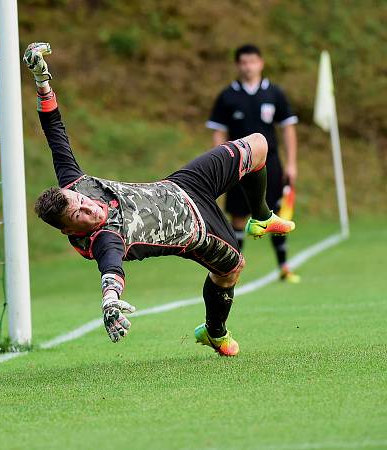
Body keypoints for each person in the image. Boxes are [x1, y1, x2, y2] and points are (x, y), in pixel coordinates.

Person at [23, 42, 295, 356]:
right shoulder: (103, 238)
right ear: (71, 231)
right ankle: (215, 332)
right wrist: (110, 301)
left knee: (258, 145)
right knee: (232, 269)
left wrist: (42, 82)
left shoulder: (74, 185)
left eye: (81, 201)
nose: (88, 205)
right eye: (80, 215)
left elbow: (54, 130)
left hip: (185, 184)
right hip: (197, 230)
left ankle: (261, 217)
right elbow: (111, 270)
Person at [206, 44, 300, 283]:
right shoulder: (228, 96)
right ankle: (233, 266)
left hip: (272, 164)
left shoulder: (274, 93)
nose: (248, 67)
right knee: (238, 217)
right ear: (238, 65)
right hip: (238, 166)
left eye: (253, 62)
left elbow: (288, 128)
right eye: (244, 62)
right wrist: (221, 163)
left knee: (275, 214)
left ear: (261, 63)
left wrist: (292, 163)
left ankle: (284, 266)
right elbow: (218, 132)